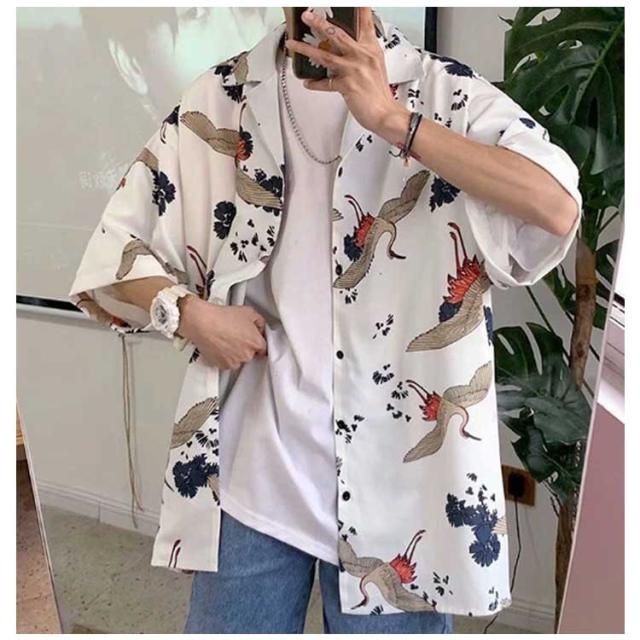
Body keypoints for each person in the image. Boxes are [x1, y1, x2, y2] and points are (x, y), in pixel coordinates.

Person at [68, 6, 582, 634]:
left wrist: (391, 119)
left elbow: (556, 207)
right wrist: (189, 315)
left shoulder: (443, 91)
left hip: (403, 493)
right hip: (254, 474)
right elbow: (114, 250)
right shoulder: (226, 96)